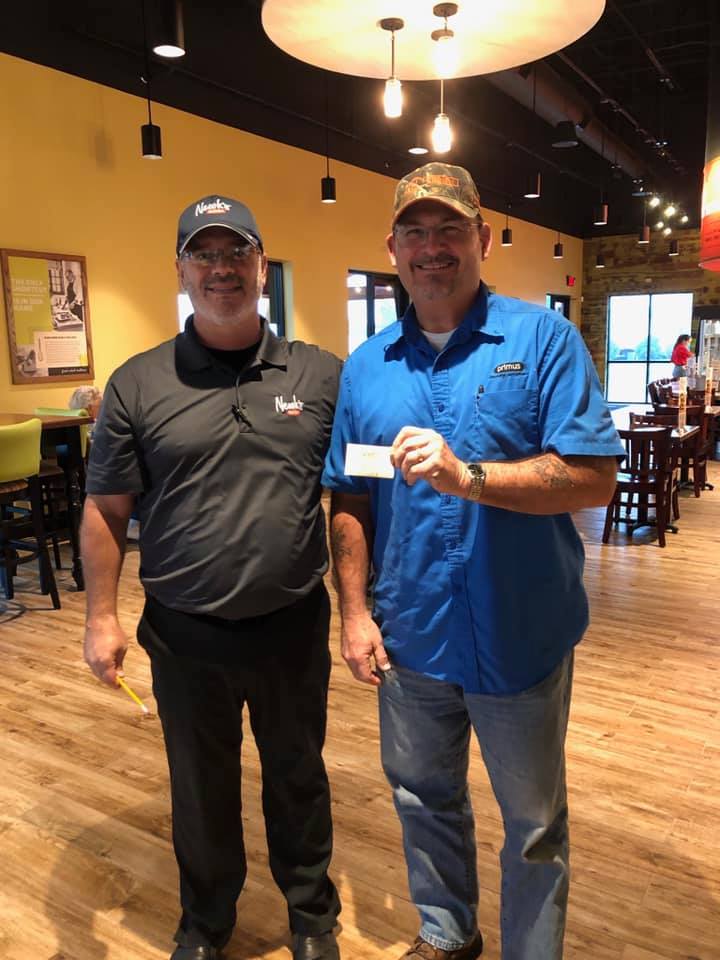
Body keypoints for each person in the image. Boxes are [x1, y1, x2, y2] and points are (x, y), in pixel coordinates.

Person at [322, 163, 623, 960]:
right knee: (423, 798)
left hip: (519, 638)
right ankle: (447, 932)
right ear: (392, 248)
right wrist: (353, 614)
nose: (433, 247)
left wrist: (470, 478)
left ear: (482, 239)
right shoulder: (368, 367)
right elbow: (349, 496)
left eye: (450, 229)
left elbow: (594, 477)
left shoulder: (543, 341)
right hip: (411, 638)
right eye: (415, 233)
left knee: (533, 826)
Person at [82, 195, 342, 960]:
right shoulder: (137, 384)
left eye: (237, 253)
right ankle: (205, 923)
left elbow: (357, 495)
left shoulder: (320, 374)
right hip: (185, 633)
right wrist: (100, 617)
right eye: (204, 254)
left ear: (262, 264)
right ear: (181, 270)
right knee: (200, 788)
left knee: (298, 777)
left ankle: (312, 916)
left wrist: (368, 604)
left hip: (293, 624)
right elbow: (105, 509)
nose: (221, 269)